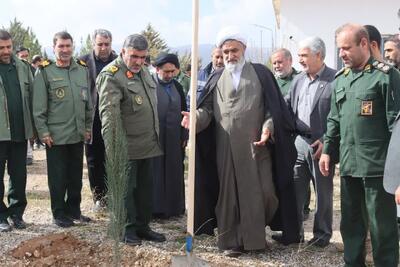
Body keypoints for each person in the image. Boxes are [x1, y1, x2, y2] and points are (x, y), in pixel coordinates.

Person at [181, 27, 300, 255]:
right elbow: (206, 110)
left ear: (243, 49)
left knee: (264, 192)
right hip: (225, 149)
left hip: (256, 147)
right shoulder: (217, 77)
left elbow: (272, 110)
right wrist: (194, 118)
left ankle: (255, 238)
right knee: (228, 197)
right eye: (225, 51)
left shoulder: (261, 74)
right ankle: (231, 242)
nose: (229, 55)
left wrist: (268, 128)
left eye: (234, 50)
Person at [319, 23, 400, 267]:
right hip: (349, 166)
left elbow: (397, 127)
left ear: (364, 44)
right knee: (351, 224)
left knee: (382, 228)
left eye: (346, 48)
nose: (341, 53)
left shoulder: (387, 77)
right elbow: (334, 119)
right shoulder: (341, 80)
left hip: (378, 169)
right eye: (339, 48)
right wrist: (327, 151)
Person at [97, 34, 166, 246]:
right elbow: (109, 116)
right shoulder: (112, 75)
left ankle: (142, 225)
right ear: (123, 51)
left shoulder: (144, 71)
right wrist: (114, 149)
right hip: (126, 146)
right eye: (134, 56)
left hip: (147, 144)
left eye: (143, 57)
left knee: (145, 189)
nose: (138, 62)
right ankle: (126, 229)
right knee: (125, 190)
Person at [33, 31, 93, 228]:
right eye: (61, 46)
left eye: (68, 46)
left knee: (75, 178)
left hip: (77, 134)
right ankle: (58, 213)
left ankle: (73, 210)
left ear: (73, 46)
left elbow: (88, 103)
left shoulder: (82, 70)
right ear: (54, 48)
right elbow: (39, 107)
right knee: (58, 178)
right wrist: (43, 133)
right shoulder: (45, 71)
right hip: (56, 136)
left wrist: (87, 127)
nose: (65, 50)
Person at [286, 37, 336, 248]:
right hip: (299, 141)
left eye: (304, 55)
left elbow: (339, 113)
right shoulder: (298, 79)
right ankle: (294, 233)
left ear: (319, 55)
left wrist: (327, 140)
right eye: (299, 55)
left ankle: (322, 235)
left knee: (322, 192)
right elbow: (287, 105)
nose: (300, 60)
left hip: (321, 145)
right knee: (295, 189)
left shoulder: (335, 79)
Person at [79, 29, 117, 211]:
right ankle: (99, 197)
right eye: (100, 44)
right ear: (93, 44)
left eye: (107, 44)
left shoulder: (119, 61)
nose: (103, 48)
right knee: (94, 158)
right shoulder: (83, 62)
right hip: (92, 116)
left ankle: (113, 195)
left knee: (113, 157)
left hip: (114, 116)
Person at [0, 30, 34, 232]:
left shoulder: (22, 67)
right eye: (1, 48)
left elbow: (32, 98)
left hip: (20, 132)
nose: (5, 51)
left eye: (8, 47)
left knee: (19, 176)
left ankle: (17, 213)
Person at [152, 53, 187, 218]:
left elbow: (184, 112)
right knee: (156, 171)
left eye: (172, 71)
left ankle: (174, 208)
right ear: (157, 69)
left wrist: (184, 134)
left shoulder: (178, 87)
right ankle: (156, 209)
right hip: (155, 137)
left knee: (174, 170)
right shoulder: (149, 85)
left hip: (174, 137)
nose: (169, 75)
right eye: (166, 71)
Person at [15, 46, 34, 165]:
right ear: (17, 56)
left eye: (27, 56)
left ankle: (29, 155)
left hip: (26, 108)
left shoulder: (30, 69)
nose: (25, 59)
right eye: (22, 56)